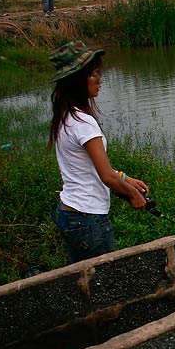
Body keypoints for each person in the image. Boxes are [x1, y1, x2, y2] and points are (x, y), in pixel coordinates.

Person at [48, 40, 149, 263]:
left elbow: (90, 166)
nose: (100, 80)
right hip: (88, 219)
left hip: (71, 213)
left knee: (87, 280)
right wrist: (133, 195)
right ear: (76, 80)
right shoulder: (84, 122)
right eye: (94, 74)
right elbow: (105, 175)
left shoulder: (66, 116)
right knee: (103, 284)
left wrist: (125, 178)